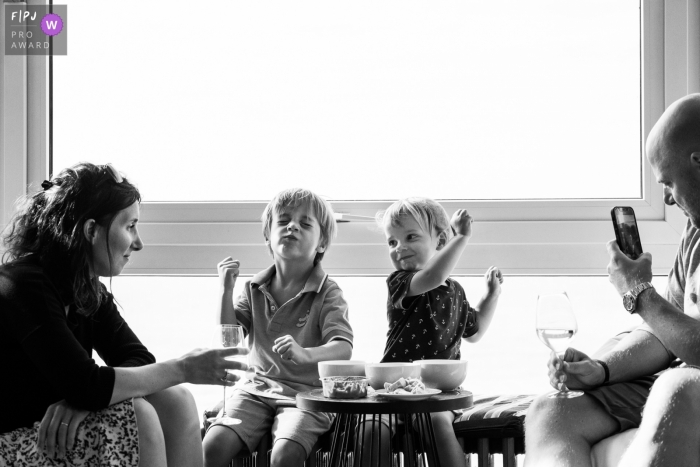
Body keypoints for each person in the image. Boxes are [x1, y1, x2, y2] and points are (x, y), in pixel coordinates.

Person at [0, 163, 247, 467]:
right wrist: (183, 367)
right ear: (91, 230)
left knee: (175, 399)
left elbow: (138, 359)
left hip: (53, 434)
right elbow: (86, 385)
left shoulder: (88, 291)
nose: (139, 243)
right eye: (130, 226)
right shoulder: (22, 284)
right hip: (13, 442)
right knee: (139, 416)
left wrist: (85, 399)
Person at [524, 93, 700, 467]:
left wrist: (639, 292)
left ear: (699, 162)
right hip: (683, 376)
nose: (667, 199)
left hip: (689, 387)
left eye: (667, 183)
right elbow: (663, 335)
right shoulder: (695, 236)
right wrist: (600, 370)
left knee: (676, 386)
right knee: (551, 412)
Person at [202, 188, 354, 467]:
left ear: (321, 244)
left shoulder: (329, 292)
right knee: (212, 446)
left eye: (305, 223)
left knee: (285, 456)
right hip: (255, 391)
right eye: (283, 221)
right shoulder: (252, 288)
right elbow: (229, 337)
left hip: (307, 397)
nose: (292, 226)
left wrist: (305, 353)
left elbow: (343, 348)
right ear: (268, 237)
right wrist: (225, 289)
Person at [361, 197, 503, 467]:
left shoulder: (456, 292)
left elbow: (475, 331)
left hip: (439, 391)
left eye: (410, 237)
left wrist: (491, 296)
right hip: (392, 387)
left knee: (437, 422)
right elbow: (432, 277)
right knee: (371, 429)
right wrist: (460, 238)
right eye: (392, 242)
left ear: (439, 242)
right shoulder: (400, 282)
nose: (399, 247)